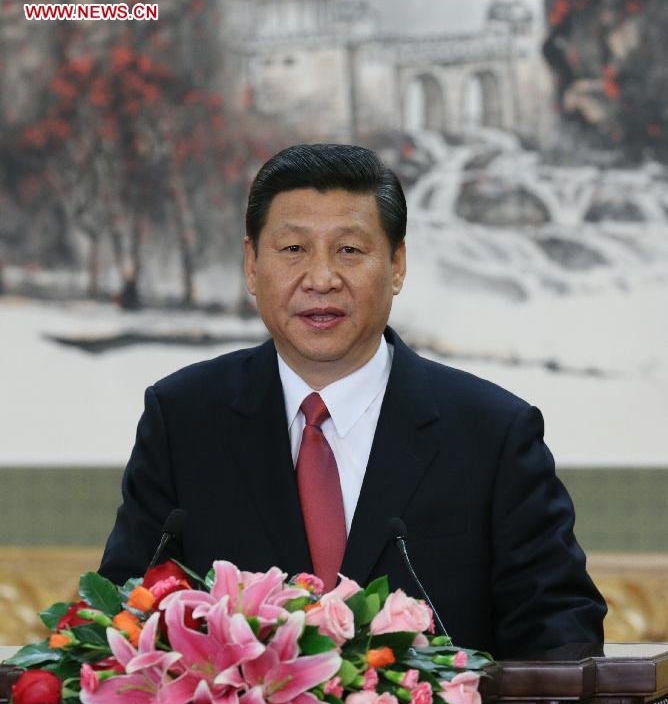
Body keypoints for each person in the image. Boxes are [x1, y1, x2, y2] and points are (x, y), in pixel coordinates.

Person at [99, 143, 606, 659]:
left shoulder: (492, 434)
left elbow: (561, 637)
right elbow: (121, 619)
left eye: (350, 250)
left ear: (397, 266)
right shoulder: (184, 420)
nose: (321, 279)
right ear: (252, 266)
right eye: (293, 250)